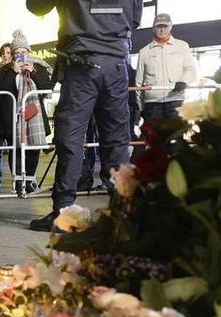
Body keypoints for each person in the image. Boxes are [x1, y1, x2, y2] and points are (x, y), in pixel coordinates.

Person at [26, 0, 141, 232]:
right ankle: (122, 212)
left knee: (71, 138)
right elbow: (136, 19)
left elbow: (36, 6)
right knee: (117, 140)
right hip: (117, 64)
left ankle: (64, 210)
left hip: (82, 66)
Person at [0, 30, 52, 195]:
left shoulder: (38, 66)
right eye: (17, 53)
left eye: (23, 52)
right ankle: (18, 181)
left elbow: (46, 89)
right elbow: (1, 91)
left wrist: (34, 73)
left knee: (33, 147)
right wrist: (13, 72)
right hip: (12, 116)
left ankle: (30, 180)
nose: (21, 55)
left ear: (29, 52)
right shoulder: (5, 70)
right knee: (15, 148)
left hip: (33, 115)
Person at [135, 13, 197, 121]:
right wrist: (140, 107)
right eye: (159, 26)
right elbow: (139, 82)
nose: (162, 30)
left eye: (165, 26)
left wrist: (184, 81)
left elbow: (190, 69)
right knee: (152, 136)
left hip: (175, 100)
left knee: (175, 135)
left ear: (171, 27)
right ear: (153, 28)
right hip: (152, 103)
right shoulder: (144, 52)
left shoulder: (182, 46)